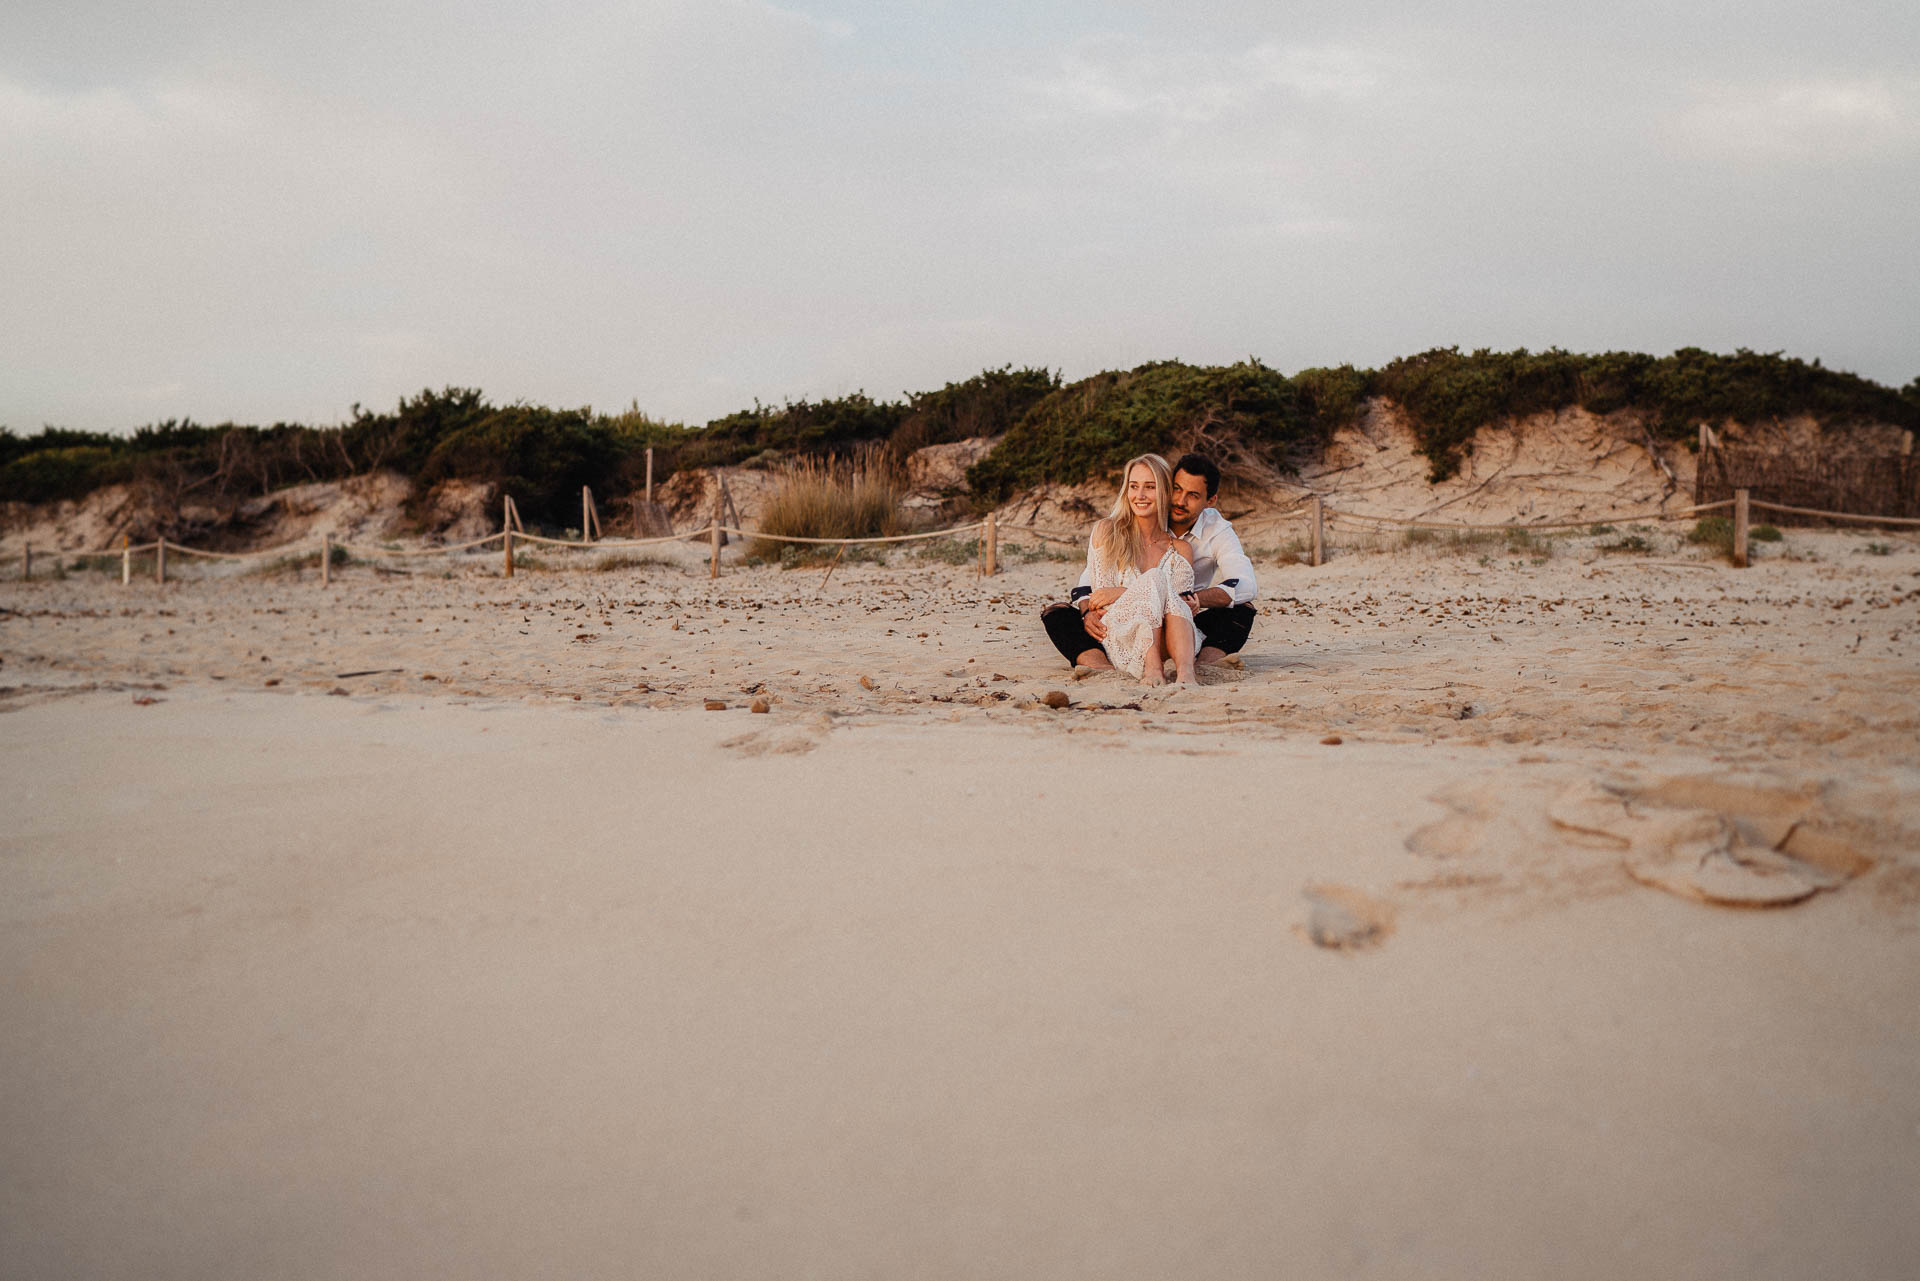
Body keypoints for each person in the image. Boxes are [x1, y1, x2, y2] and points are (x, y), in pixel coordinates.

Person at [1041, 451, 1259, 671]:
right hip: (1120, 621)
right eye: (1177, 489)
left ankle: (1206, 664)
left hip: (1178, 618)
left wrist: (1194, 600)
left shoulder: (1215, 532)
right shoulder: (1132, 520)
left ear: (1210, 501)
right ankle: (1099, 666)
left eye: (1193, 495)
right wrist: (1088, 612)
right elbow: (1091, 582)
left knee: (1241, 611)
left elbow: (1245, 584)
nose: (1180, 501)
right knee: (1058, 614)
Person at [1075, 453, 1199, 684]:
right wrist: (1147, 590)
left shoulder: (1181, 549)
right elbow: (1102, 603)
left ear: (1165, 492)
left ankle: (1186, 674)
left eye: (1150, 487)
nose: (1139, 495)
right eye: (1134, 486)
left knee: (1168, 595)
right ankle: (1153, 668)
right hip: (1123, 636)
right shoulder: (1107, 532)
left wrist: (1121, 592)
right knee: (1156, 578)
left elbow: (1179, 607)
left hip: (1172, 642)